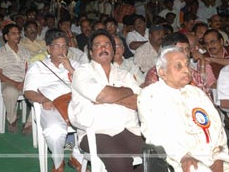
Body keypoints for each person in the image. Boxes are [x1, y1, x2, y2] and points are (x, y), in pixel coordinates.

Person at [138, 46, 229, 172]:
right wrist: (183, 156)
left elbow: (217, 127)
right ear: (162, 72)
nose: (186, 69)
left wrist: (219, 158)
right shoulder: (150, 95)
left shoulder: (197, 93)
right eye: (178, 66)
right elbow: (155, 133)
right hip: (177, 160)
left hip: (214, 159)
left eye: (187, 64)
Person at [68, 29, 144, 172]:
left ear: (113, 50)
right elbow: (103, 95)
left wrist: (111, 96)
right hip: (96, 131)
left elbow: (138, 102)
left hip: (128, 129)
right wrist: (126, 92)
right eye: (98, 45)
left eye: (107, 45)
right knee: (121, 163)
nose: (103, 48)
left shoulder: (124, 74)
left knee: (157, 154)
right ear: (90, 52)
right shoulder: (82, 72)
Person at [23, 28, 83, 172]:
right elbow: (28, 91)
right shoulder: (38, 66)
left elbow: (88, 85)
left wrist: (70, 68)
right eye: (57, 46)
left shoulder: (75, 65)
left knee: (96, 123)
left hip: (77, 102)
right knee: (53, 131)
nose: (61, 49)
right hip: (52, 104)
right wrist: (43, 99)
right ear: (49, 49)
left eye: (64, 46)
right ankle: (58, 163)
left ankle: (77, 156)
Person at [0, 24, 31, 133]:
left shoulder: (25, 52)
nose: (17, 36)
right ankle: (12, 120)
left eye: (18, 33)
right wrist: (15, 83)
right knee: (11, 91)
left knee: (41, 91)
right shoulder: (0, 52)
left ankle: (29, 123)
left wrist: (24, 82)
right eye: (13, 33)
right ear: (6, 37)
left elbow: (29, 70)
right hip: (7, 81)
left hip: (24, 82)